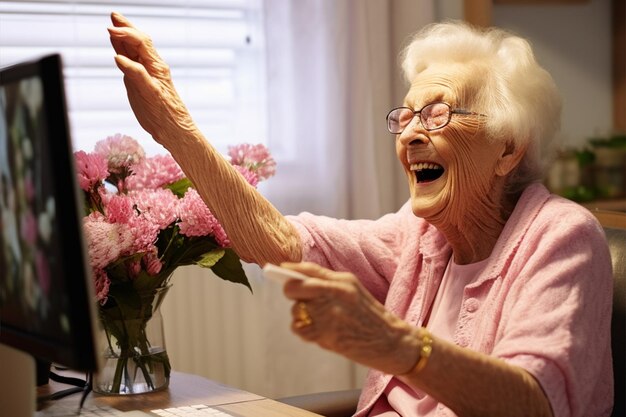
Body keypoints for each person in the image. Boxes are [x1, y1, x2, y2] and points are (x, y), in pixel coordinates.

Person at [107, 11, 613, 417]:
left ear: (508, 148)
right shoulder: (420, 237)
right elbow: (277, 243)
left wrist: (399, 346)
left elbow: (536, 404)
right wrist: (175, 127)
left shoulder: (561, 237)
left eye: (438, 114)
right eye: (407, 117)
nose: (412, 134)